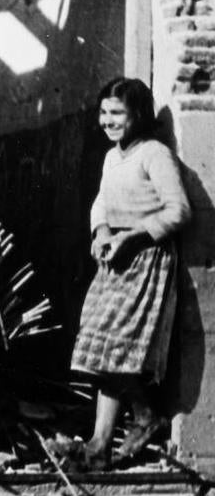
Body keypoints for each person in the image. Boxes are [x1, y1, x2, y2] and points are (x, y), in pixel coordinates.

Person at [72, 77, 191, 469]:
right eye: (104, 113)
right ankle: (100, 445)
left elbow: (179, 211)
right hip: (116, 257)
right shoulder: (112, 157)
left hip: (146, 259)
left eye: (117, 113)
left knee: (116, 348)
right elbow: (101, 202)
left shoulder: (154, 154)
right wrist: (102, 231)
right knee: (98, 343)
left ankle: (139, 418)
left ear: (137, 114)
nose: (108, 121)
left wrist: (134, 238)